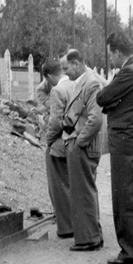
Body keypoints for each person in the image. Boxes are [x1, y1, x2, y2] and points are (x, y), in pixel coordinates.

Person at [96, 30, 133, 264]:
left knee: (125, 199)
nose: (112, 60)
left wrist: (110, 98)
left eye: (112, 55)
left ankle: (131, 253)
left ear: (118, 52)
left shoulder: (128, 72)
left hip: (126, 141)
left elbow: (102, 97)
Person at [63, 49, 108, 252]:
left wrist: (78, 142)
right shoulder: (84, 82)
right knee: (84, 191)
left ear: (77, 64)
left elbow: (95, 119)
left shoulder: (90, 83)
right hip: (81, 144)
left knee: (83, 192)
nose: (66, 72)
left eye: (67, 68)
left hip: (83, 145)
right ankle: (92, 236)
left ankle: (88, 239)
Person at [42, 56, 75, 239]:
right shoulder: (77, 83)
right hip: (79, 142)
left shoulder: (57, 90)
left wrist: (48, 140)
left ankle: (66, 227)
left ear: (48, 76)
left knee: (59, 186)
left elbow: (55, 123)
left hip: (61, 144)